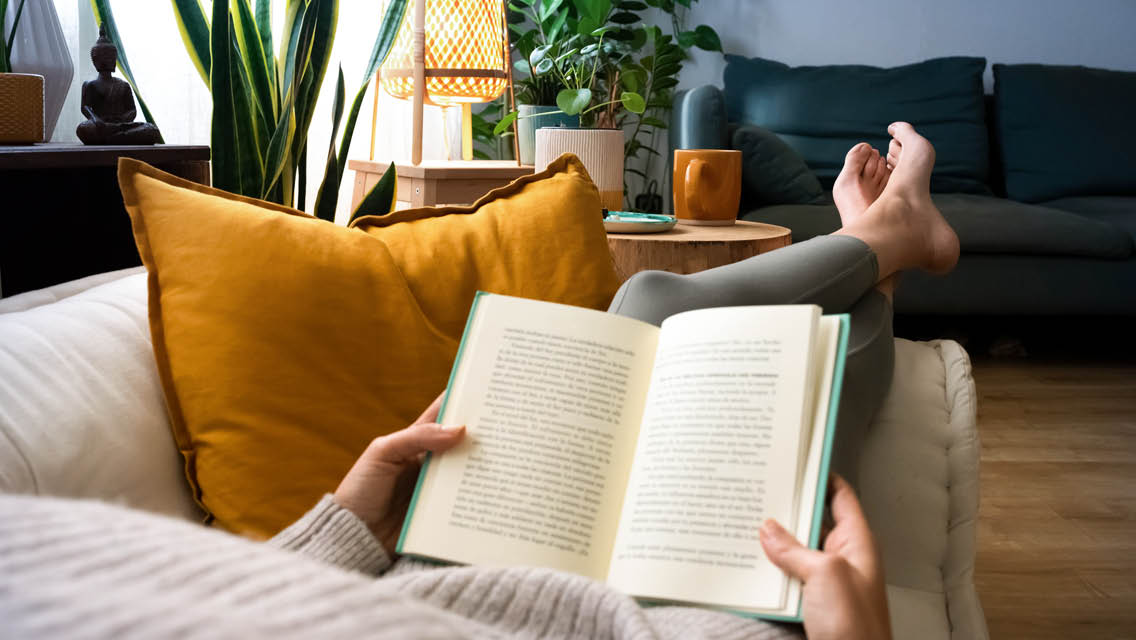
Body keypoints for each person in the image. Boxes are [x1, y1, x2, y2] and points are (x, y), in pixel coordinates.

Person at [0, 123, 958, 639]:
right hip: (687, 609)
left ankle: (882, 245)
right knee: (680, 318)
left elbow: (231, 608)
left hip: (452, 563)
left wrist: (346, 522)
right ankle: (879, 247)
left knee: (650, 310)